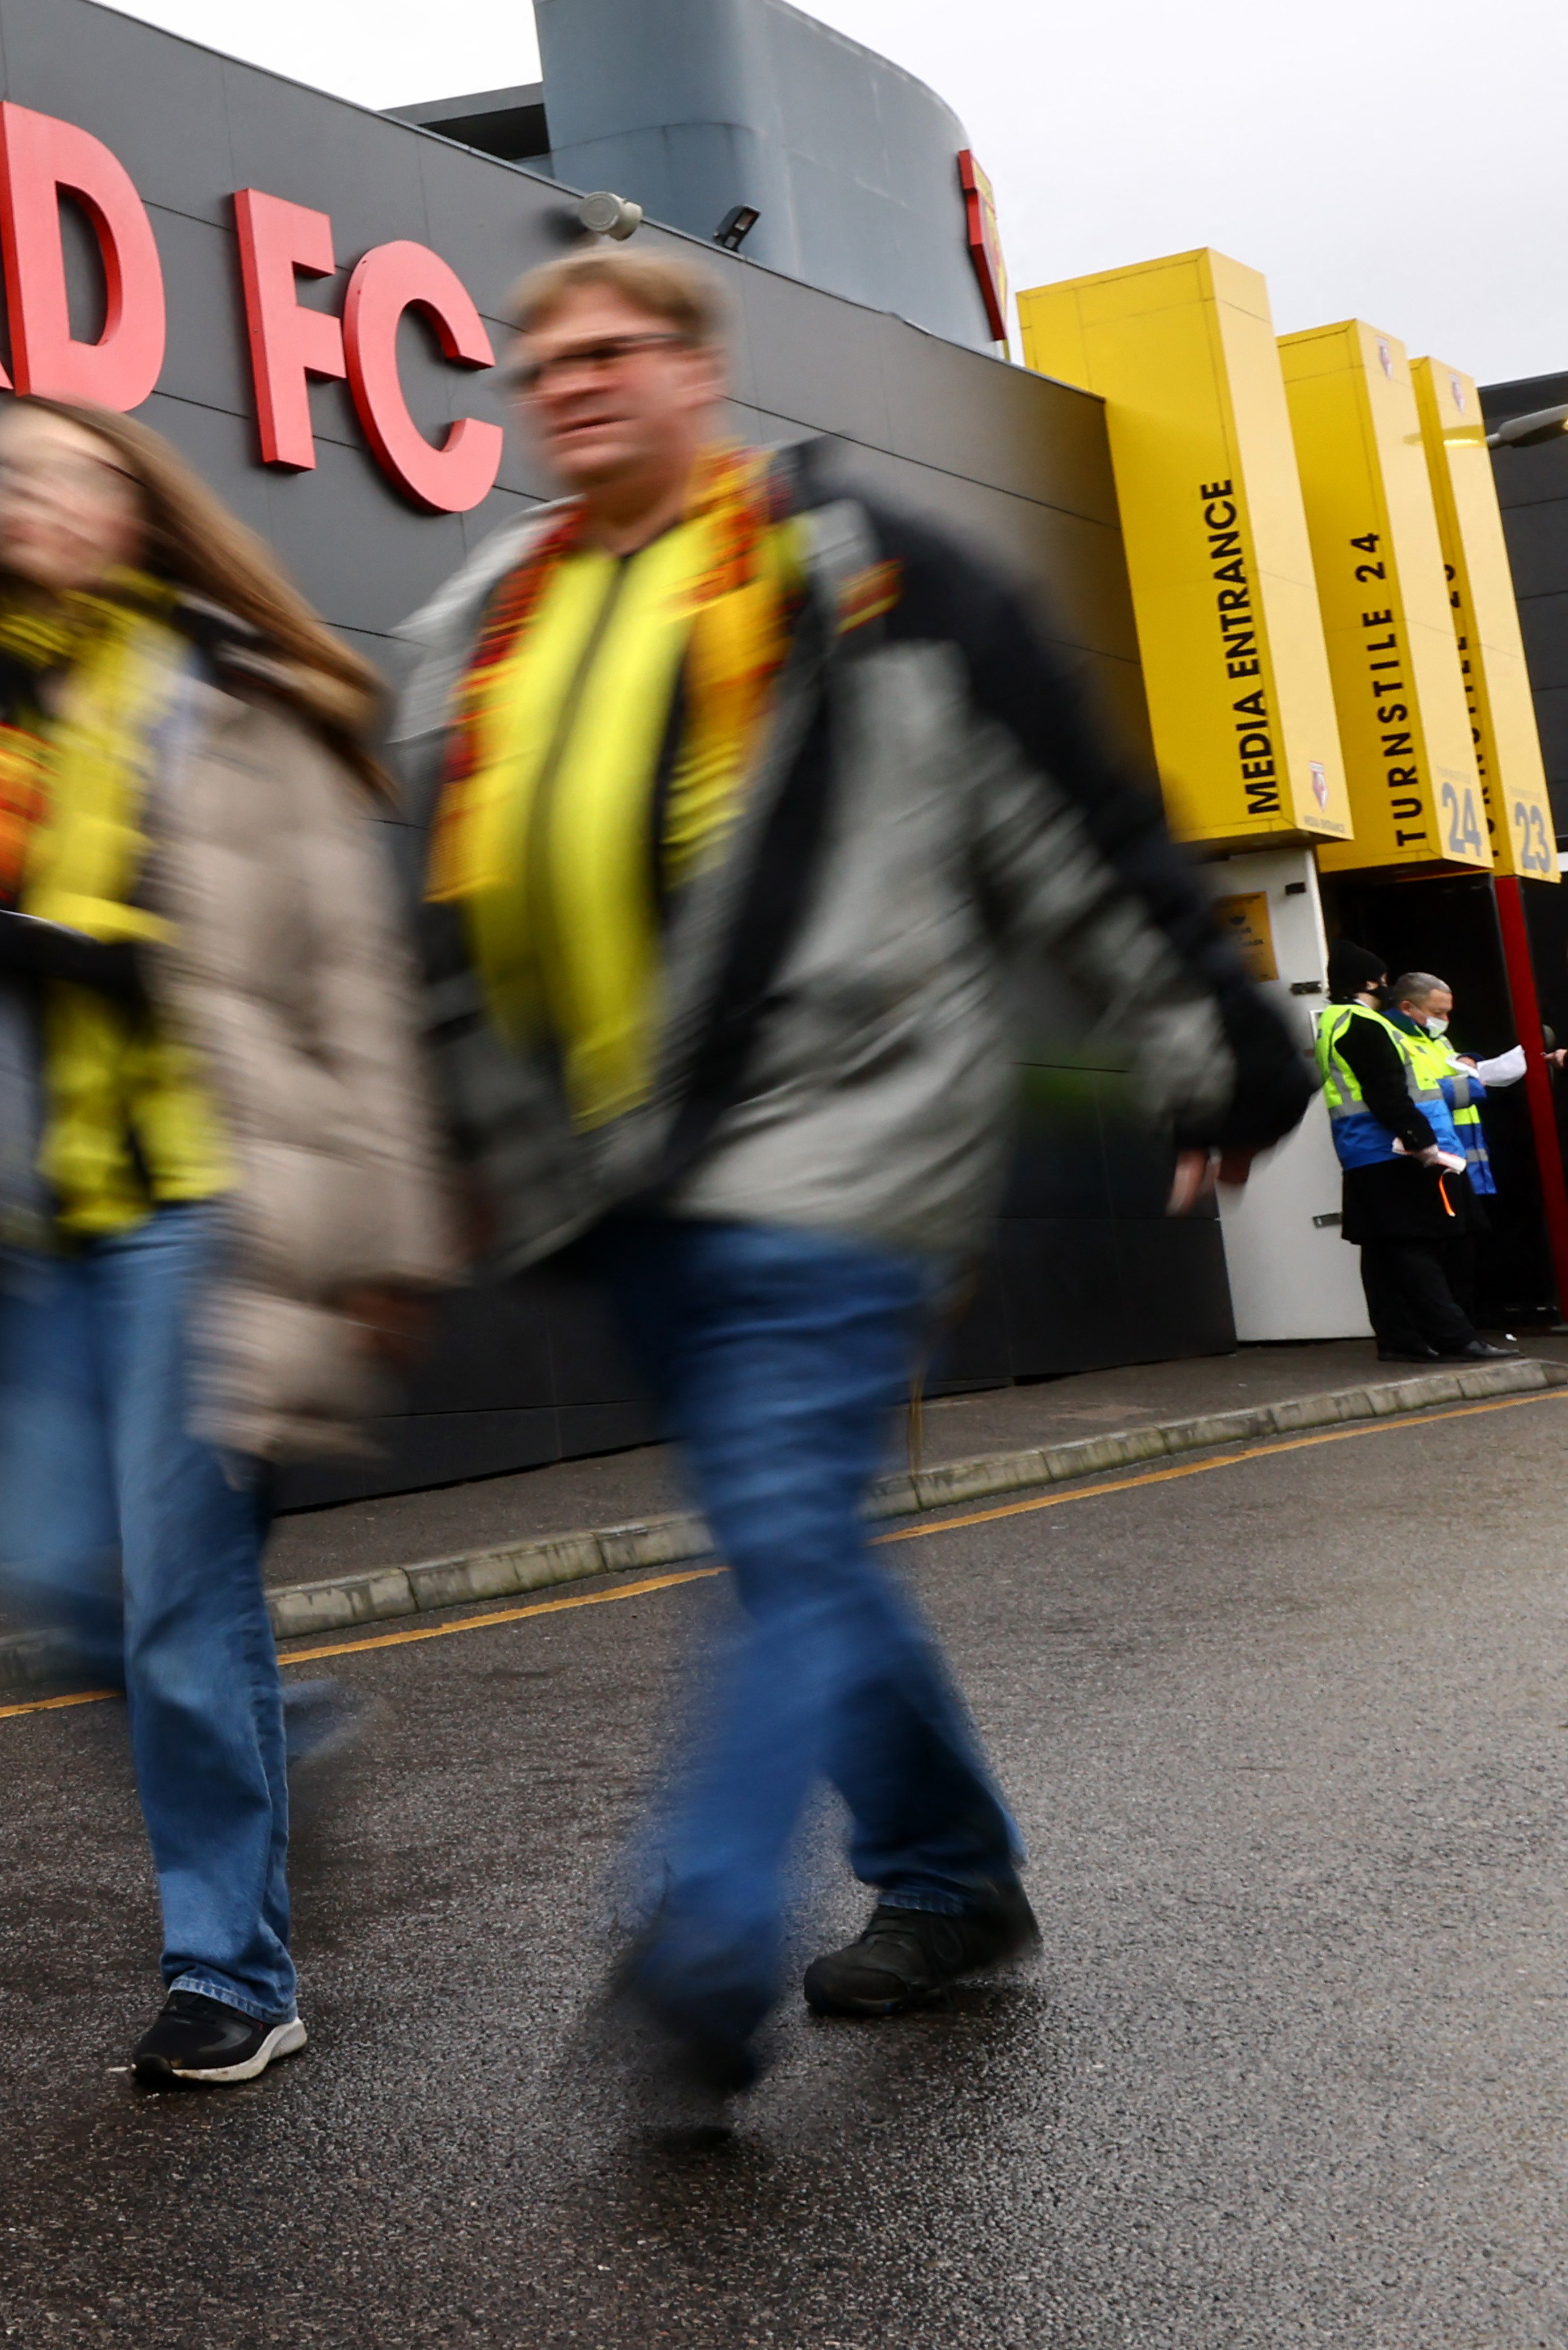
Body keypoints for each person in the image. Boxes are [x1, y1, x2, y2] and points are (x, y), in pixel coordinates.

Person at [396, 245, 1309, 2131]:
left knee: (784, 1518)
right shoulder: (485, 614)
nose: (568, 380)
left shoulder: (856, 569)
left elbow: (1055, 814)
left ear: (695, 368)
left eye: (612, 349)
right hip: (620, 1165)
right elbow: (442, 914)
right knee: (781, 1535)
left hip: (847, 1119)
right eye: (537, 358)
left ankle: (704, 1935)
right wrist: (447, 1141)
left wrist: (1216, 1047)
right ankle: (952, 1878)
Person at [0, 398, 451, 2091]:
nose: (21, 489)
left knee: (178, 1602)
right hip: (30, 1226)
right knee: (29, 1561)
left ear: (134, 503)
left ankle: (229, 1970)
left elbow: (347, 980)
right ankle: (276, 1744)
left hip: (203, 1207)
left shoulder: (225, 703)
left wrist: (384, 1227)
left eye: (62, 465)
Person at [1319, 959, 1525, 1359]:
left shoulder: (1337, 1021)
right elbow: (1387, 1091)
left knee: (1385, 1250)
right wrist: (1419, 1139)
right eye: (1382, 980)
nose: (1386, 987)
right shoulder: (1366, 1024)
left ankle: (1401, 1341)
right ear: (1370, 982)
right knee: (1415, 1247)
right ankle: (1453, 1336)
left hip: (1368, 1149)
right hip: (1392, 1149)